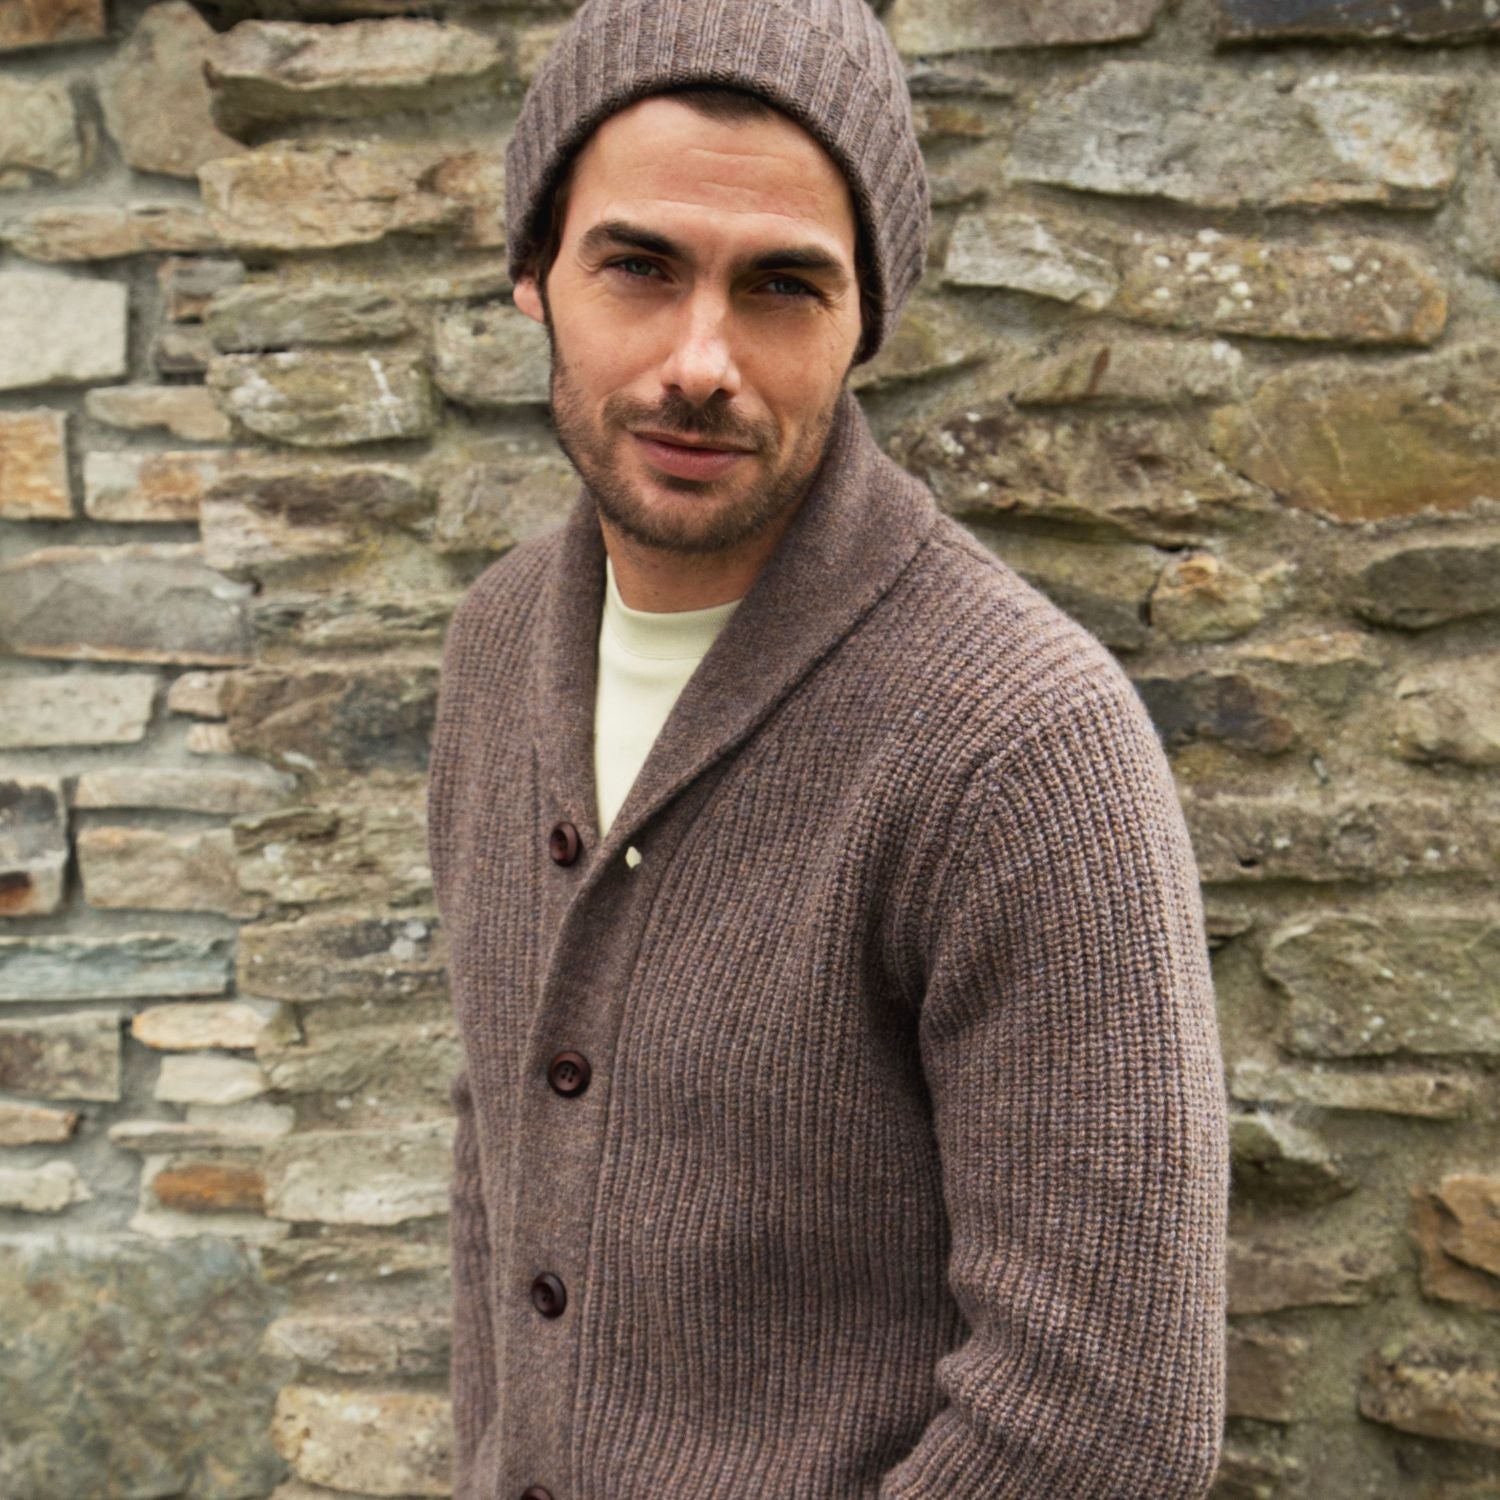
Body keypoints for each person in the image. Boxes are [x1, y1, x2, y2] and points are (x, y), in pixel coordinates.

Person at [425, 1, 1229, 1496]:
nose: (702, 361)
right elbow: (501, 1154)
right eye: (639, 267)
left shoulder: (1020, 743)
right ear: (534, 272)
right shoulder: (497, 647)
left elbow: (1108, 1421)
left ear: (868, 319)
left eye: (784, 286)